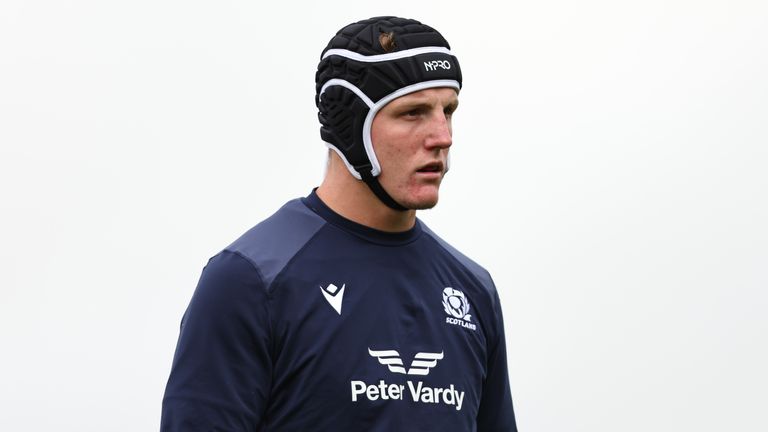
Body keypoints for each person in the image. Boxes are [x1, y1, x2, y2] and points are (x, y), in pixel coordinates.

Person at [161, 16, 518, 431]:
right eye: (413, 112)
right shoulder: (251, 281)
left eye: (448, 111)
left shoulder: (472, 290)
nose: (443, 136)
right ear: (351, 126)